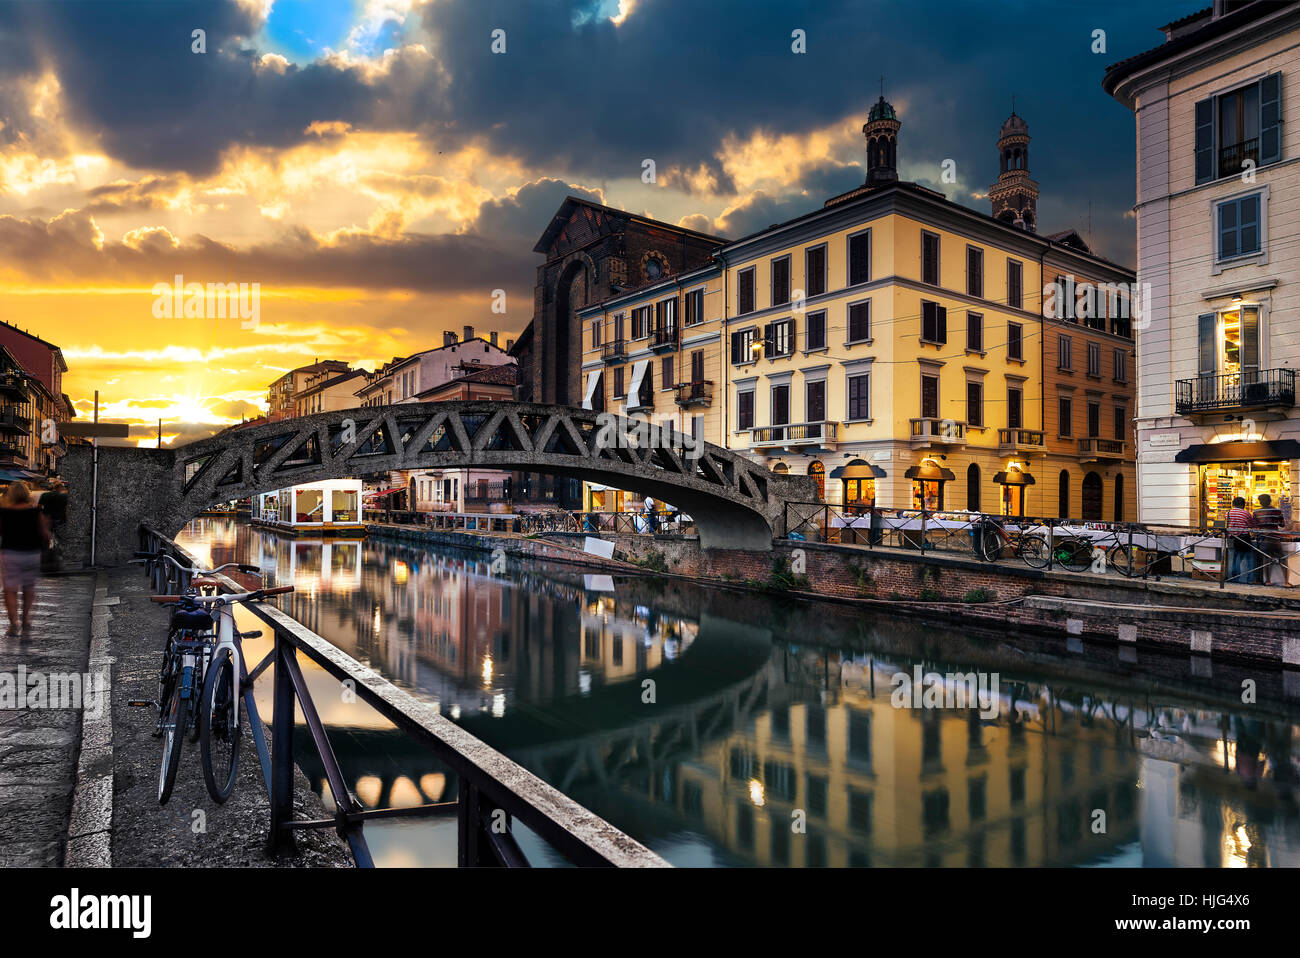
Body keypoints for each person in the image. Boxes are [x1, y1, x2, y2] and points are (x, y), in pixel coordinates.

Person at [0, 481, 50, 637]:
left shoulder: (3, 512)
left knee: (10, 589)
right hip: (31, 553)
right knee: (29, 588)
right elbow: (45, 534)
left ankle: (14, 623)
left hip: (10, 553)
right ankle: (26, 620)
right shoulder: (36, 512)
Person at [1253, 493, 1288, 586]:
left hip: (1263, 539)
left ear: (1260, 502)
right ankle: (1286, 582)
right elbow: (1282, 524)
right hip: (1275, 538)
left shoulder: (1256, 512)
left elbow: (1255, 527)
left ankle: (1268, 581)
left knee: (1266, 559)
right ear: (1270, 501)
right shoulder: (1277, 511)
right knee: (1283, 558)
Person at [1226, 496, 1257, 585]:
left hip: (1232, 538)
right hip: (1243, 538)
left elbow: (1227, 525)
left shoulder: (1228, 513)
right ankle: (1250, 579)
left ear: (1233, 504)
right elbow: (1251, 525)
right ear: (1243, 504)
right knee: (1249, 558)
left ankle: (1234, 578)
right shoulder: (1246, 513)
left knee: (1234, 558)